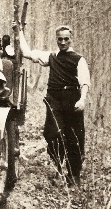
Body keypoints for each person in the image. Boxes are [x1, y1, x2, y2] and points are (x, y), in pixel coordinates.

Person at [15, 23, 90, 186]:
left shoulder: (79, 59)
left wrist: (82, 99)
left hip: (72, 99)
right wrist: (19, 31)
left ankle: (73, 175)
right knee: (52, 133)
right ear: (56, 39)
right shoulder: (51, 57)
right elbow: (27, 52)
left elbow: (84, 82)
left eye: (66, 39)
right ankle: (57, 162)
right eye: (59, 39)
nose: (62, 42)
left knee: (74, 137)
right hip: (54, 98)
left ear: (71, 39)